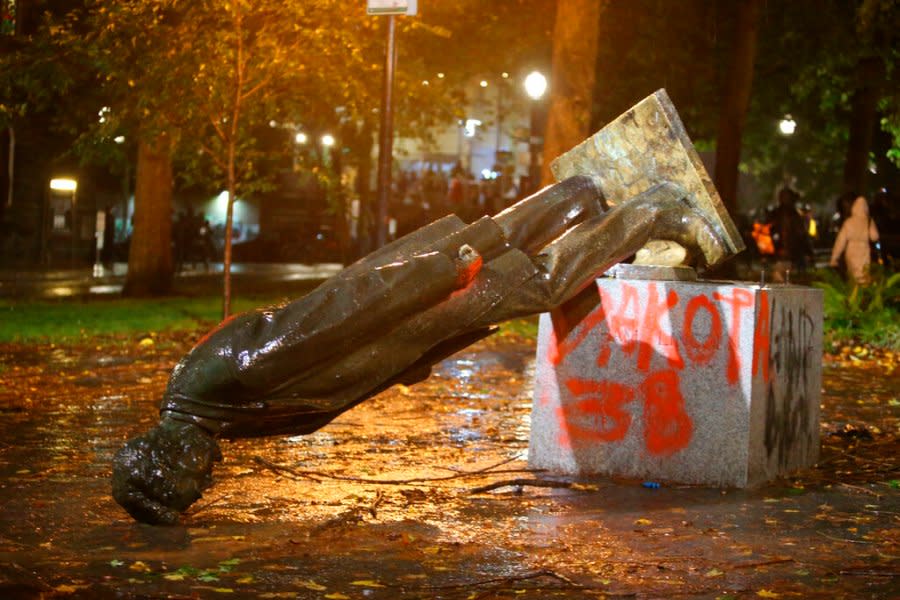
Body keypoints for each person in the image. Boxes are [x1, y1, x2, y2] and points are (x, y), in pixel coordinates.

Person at [112, 176, 729, 525]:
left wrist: (435, 275)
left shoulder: (222, 385)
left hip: (413, 302)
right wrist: (407, 362)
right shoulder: (205, 414)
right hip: (409, 319)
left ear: (169, 456)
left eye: (191, 480)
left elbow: (334, 317)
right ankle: (579, 198)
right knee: (500, 242)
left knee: (536, 281)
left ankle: (651, 210)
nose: (207, 480)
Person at [829, 194, 880, 284]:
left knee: (853, 273)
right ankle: (863, 291)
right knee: (864, 273)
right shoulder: (868, 221)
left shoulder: (849, 222)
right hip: (864, 250)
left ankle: (854, 292)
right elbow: (874, 237)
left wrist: (834, 258)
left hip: (851, 250)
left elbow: (840, 242)